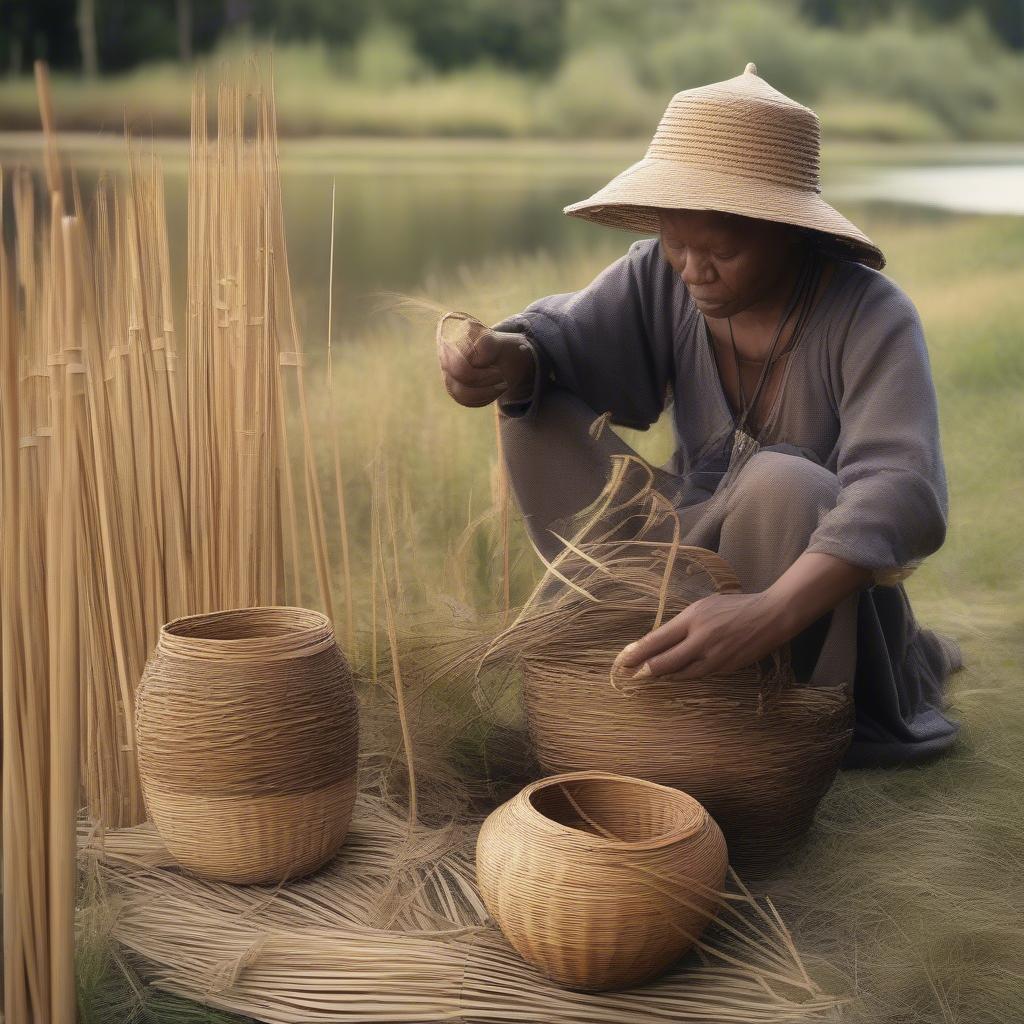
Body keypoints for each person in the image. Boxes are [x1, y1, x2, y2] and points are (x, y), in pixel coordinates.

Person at [436, 63, 961, 768]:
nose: (692, 272)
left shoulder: (871, 316)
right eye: (675, 244)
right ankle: (632, 631)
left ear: (790, 231)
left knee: (788, 483)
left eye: (721, 250)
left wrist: (769, 613)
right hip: (675, 551)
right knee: (533, 408)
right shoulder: (660, 273)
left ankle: (769, 708)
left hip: (800, 584)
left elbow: (904, 487)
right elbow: (566, 341)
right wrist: (504, 361)